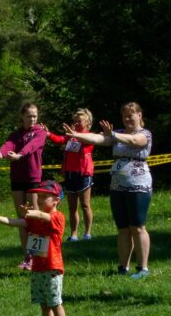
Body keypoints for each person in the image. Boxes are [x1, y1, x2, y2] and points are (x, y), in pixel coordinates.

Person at [64, 102, 152, 279]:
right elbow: (98, 139)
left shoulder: (145, 134)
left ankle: (142, 268)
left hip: (138, 185)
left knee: (137, 227)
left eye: (131, 115)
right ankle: (123, 268)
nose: (127, 118)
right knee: (123, 228)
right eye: (125, 115)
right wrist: (78, 135)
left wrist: (113, 134)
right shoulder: (118, 133)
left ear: (140, 115)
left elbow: (135, 141)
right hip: (117, 186)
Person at [0, 182, 67, 316]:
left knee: (56, 303)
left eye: (45, 197)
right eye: (40, 196)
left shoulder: (57, 217)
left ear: (56, 200)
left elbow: (45, 217)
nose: (41, 199)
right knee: (44, 305)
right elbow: (13, 222)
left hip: (52, 268)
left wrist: (29, 212)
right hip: (37, 268)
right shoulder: (34, 219)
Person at [0, 103, 48, 269]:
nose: (32, 118)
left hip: (33, 178)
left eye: (34, 116)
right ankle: (27, 257)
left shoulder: (40, 132)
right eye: (29, 115)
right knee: (22, 218)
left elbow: (31, 147)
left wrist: (19, 155)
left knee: (34, 217)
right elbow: (9, 144)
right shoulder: (16, 134)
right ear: (22, 117)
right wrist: (1, 153)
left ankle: (39, 256)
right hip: (17, 178)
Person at [44, 108, 95, 241]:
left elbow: (86, 144)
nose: (76, 123)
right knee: (72, 207)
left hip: (83, 174)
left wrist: (75, 134)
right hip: (70, 173)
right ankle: (74, 234)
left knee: (85, 205)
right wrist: (48, 134)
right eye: (75, 121)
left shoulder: (90, 136)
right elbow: (60, 139)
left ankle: (87, 233)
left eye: (80, 121)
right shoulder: (71, 136)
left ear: (87, 123)